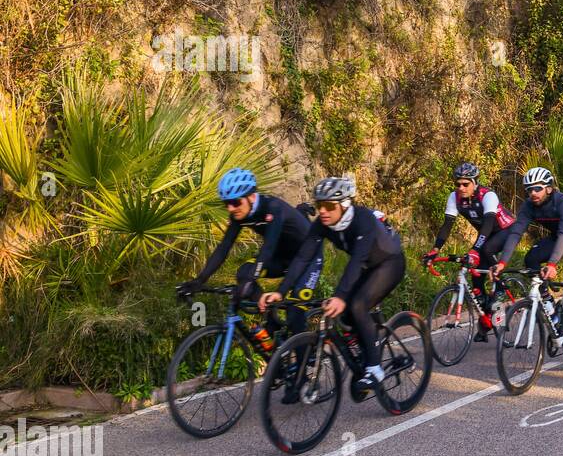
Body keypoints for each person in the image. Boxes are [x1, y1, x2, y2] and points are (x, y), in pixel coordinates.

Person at [261, 176, 406, 394]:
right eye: (320, 206)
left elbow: (357, 260)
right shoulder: (322, 224)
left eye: (329, 206)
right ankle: (364, 353)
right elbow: (302, 257)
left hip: (390, 263)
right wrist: (281, 292)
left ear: (345, 205)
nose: (323, 211)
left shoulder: (362, 220)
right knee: (347, 315)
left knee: (356, 305)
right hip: (367, 266)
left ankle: (375, 367)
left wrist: (340, 295)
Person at [179, 168, 322, 334]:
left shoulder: (273, 208)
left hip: (308, 260)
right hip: (282, 259)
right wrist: (200, 280)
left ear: (252, 197)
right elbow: (224, 247)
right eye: (227, 204)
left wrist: (250, 280)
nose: (231, 209)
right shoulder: (239, 215)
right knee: (244, 273)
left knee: (295, 312)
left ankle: (305, 357)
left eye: (235, 202)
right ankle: (270, 317)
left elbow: (268, 247)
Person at [492, 167, 563, 369]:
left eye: (537, 188)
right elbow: (515, 234)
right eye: (529, 189)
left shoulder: (562, 202)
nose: (532, 193)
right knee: (531, 258)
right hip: (557, 239)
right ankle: (546, 299)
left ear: (548, 188)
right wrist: (502, 262)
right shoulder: (529, 206)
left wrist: (553, 263)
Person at [422, 162, 516, 341]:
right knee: (474, 267)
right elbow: (447, 225)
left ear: (475, 183)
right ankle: (484, 322)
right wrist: (435, 249)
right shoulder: (454, 197)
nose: (461, 188)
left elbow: (488, 224)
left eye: (465, 184)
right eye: (457, 184)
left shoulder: (488, 196)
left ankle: (500, 291)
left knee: (484, 250)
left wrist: (475, 249)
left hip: (506, 230)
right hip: (486, 234)